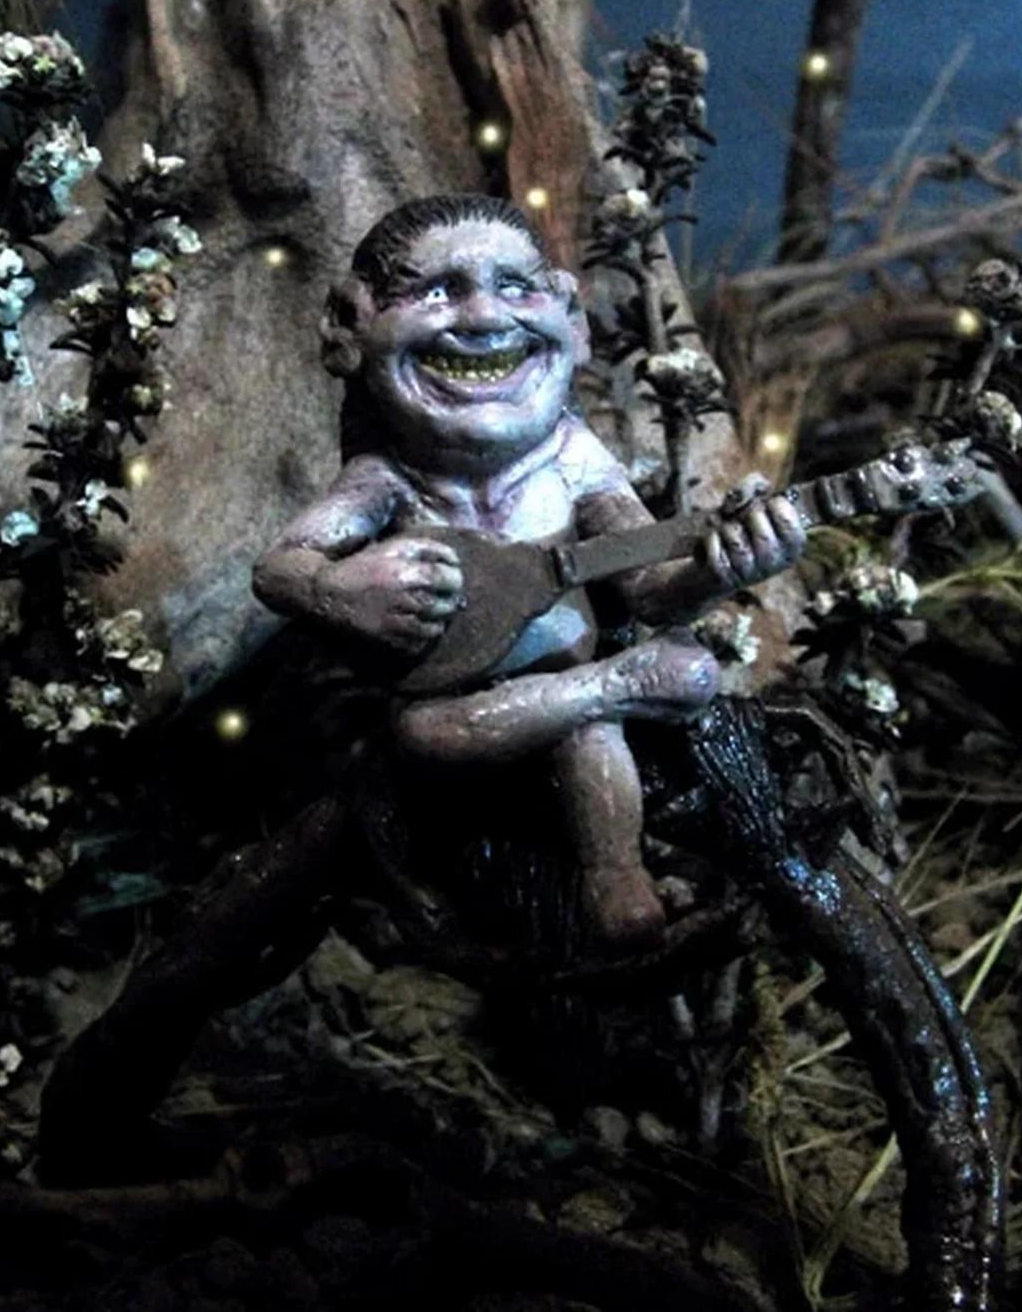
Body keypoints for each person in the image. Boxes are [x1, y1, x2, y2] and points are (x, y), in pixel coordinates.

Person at [253, 194, 806, 948]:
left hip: (567, 697)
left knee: (591, 736)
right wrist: (338, 589)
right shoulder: (386, 479)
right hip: (455, 707)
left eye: (515, 286)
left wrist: (718, 571)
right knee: (422, 732)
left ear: (571, 319)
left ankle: (615, 870)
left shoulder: (575, 459)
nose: (484, 316)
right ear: (352, 323)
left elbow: (650, 589)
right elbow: (280, 568)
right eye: (437, 291)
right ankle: (618, 685)